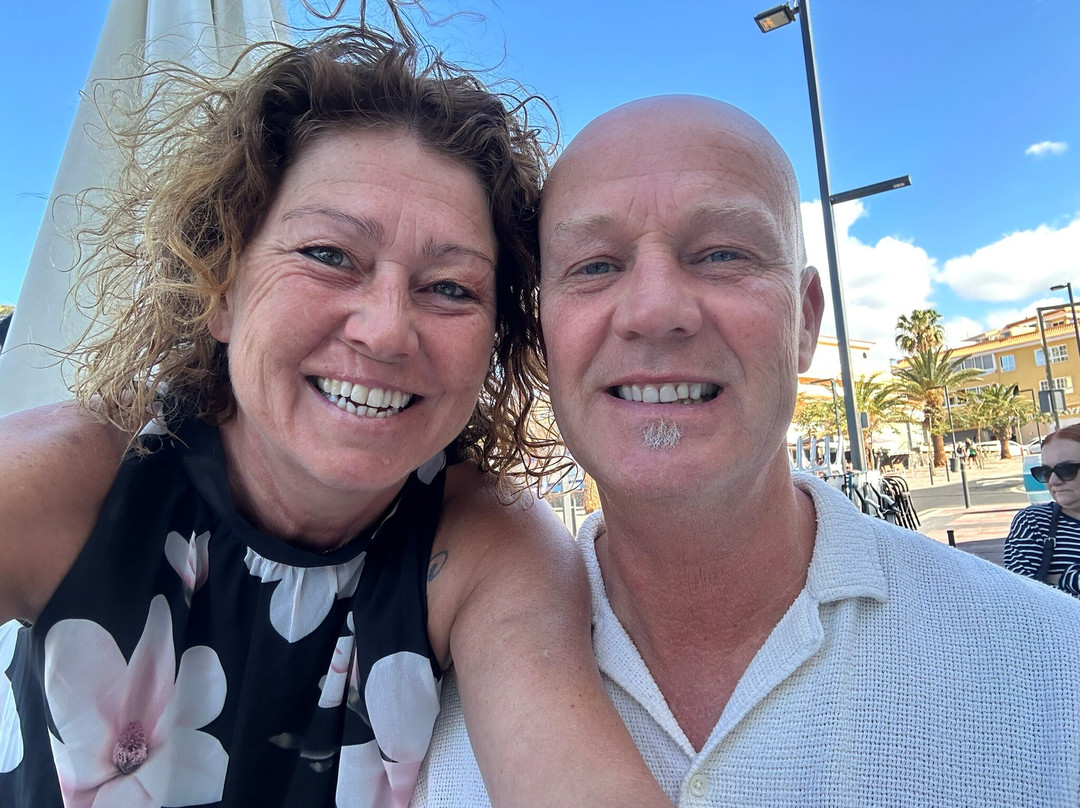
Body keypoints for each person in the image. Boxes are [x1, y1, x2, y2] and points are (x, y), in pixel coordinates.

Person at [0, 28, 674, 808]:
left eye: (451, 287)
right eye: (328, 255)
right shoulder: (75, 484)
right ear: (220, 287)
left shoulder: (486, 546)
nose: (386, 331)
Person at [412, 95, 1080, 806]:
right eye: (595, 265)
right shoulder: (405, 702)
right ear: (543, 333)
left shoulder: (1053, 668)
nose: (655, 311)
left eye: (723, 254)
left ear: (805, 321)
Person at [1006, 424, 1080, 596]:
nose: (1053, 481)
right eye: (1045, 472)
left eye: (1066, 470)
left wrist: (1065, 579)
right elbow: (1024, 596)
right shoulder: (1033, 523)